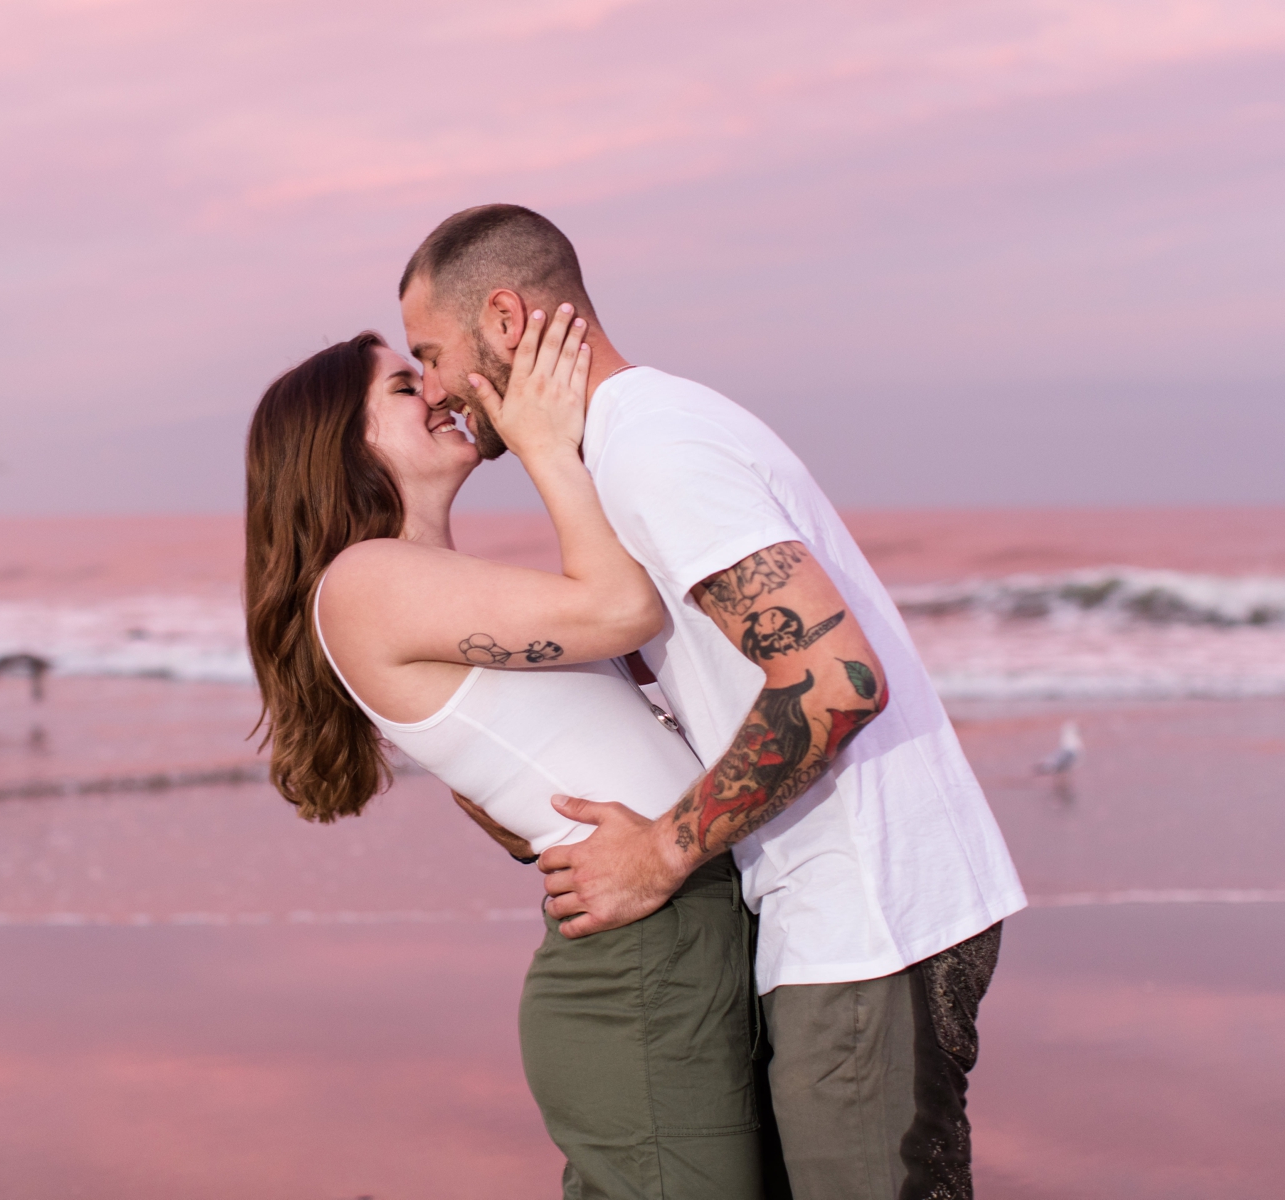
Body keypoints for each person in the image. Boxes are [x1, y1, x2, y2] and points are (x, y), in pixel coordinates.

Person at [400, 204, 1027, 1200]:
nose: (432, 388)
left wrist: (662, 851)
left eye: (429, 353)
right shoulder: (630, 444)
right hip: (829, 911)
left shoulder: (653, 446)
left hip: (867, 914)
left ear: (506, 320)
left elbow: (837, 682)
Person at [243, 317, 767, 1199]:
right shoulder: (366, 579)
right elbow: (621, 608)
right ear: (339, 445)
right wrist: (544, 442)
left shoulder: (419, 579)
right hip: (643, 958)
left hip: (664, 922)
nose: (439, 392)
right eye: (405, 389)